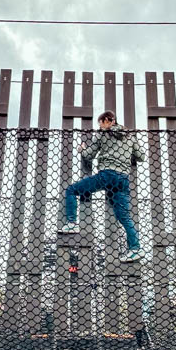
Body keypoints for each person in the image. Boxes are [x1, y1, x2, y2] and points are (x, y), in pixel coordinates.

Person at [59, 111, 145, 263]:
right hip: (123, 179)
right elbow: (141, 156)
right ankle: (135, 249)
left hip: (107, 175)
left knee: (71, 190)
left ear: (108, 120)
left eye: (100, 123)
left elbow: (89, 155)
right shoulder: (129, 135)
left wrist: (81, 150)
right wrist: (123, 153)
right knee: (124, 217)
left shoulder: (102, 135)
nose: (100, 126)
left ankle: (71, 223)